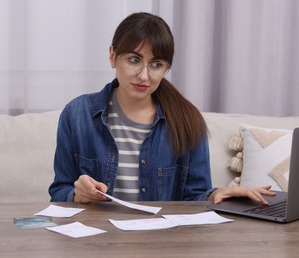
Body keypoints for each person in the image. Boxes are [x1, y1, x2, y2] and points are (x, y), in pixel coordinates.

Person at [49, 12, 275, 204]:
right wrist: (77, 194)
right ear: (112, 56)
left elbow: (193, 197)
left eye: (156, 65)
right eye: (134, 60)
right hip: (99, 242)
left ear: (166, 68)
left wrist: (216, 195)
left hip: (161, 243)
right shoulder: (77, 114)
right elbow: (59, 193)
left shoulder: (187, 120)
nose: (144, 75)